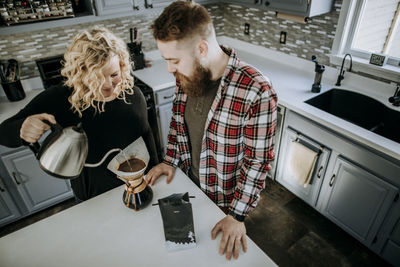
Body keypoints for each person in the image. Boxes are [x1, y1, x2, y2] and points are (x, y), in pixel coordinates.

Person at [145, 1, 277, 261]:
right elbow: (178, 125)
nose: (170, 69)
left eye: (173, 60)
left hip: (225, 203)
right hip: (187, 186)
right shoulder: (187, 74)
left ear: (201, 49)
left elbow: (258, 162)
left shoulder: (256, 90)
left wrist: (237, 216)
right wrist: (170, 162)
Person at [0, 27, 159, 201]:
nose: (108, 85)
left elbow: (146, 133)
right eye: (97, 78)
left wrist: (156, 168)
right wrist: (23, 128)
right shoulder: (60, 98)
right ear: (80, 74)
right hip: (93, 196)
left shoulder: (133, 95)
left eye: (114, 74)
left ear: (123, 67)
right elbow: (3, 132)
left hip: (137, 185)